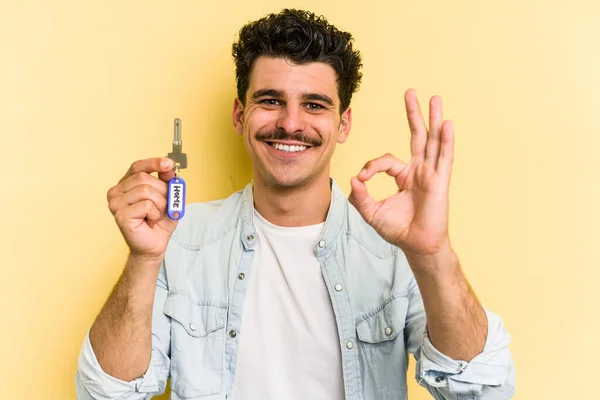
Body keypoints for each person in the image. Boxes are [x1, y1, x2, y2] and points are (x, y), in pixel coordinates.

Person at [76, 8, 515, 400]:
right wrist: (143, 259)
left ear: (342, 124)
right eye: (270, 101)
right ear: (239, 115)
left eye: (314, 104)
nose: (290, 123)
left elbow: (484, 394)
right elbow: (106, 394)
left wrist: (433, 255)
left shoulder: (395, 249)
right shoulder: (179, 237)